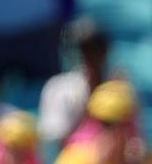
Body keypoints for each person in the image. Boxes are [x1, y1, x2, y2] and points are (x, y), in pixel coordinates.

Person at [40, 17, 112, 145]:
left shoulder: (121, 86)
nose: (90, 56)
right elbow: (56, 142)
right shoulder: (57, 89)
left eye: (96, 48)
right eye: (84, 50)